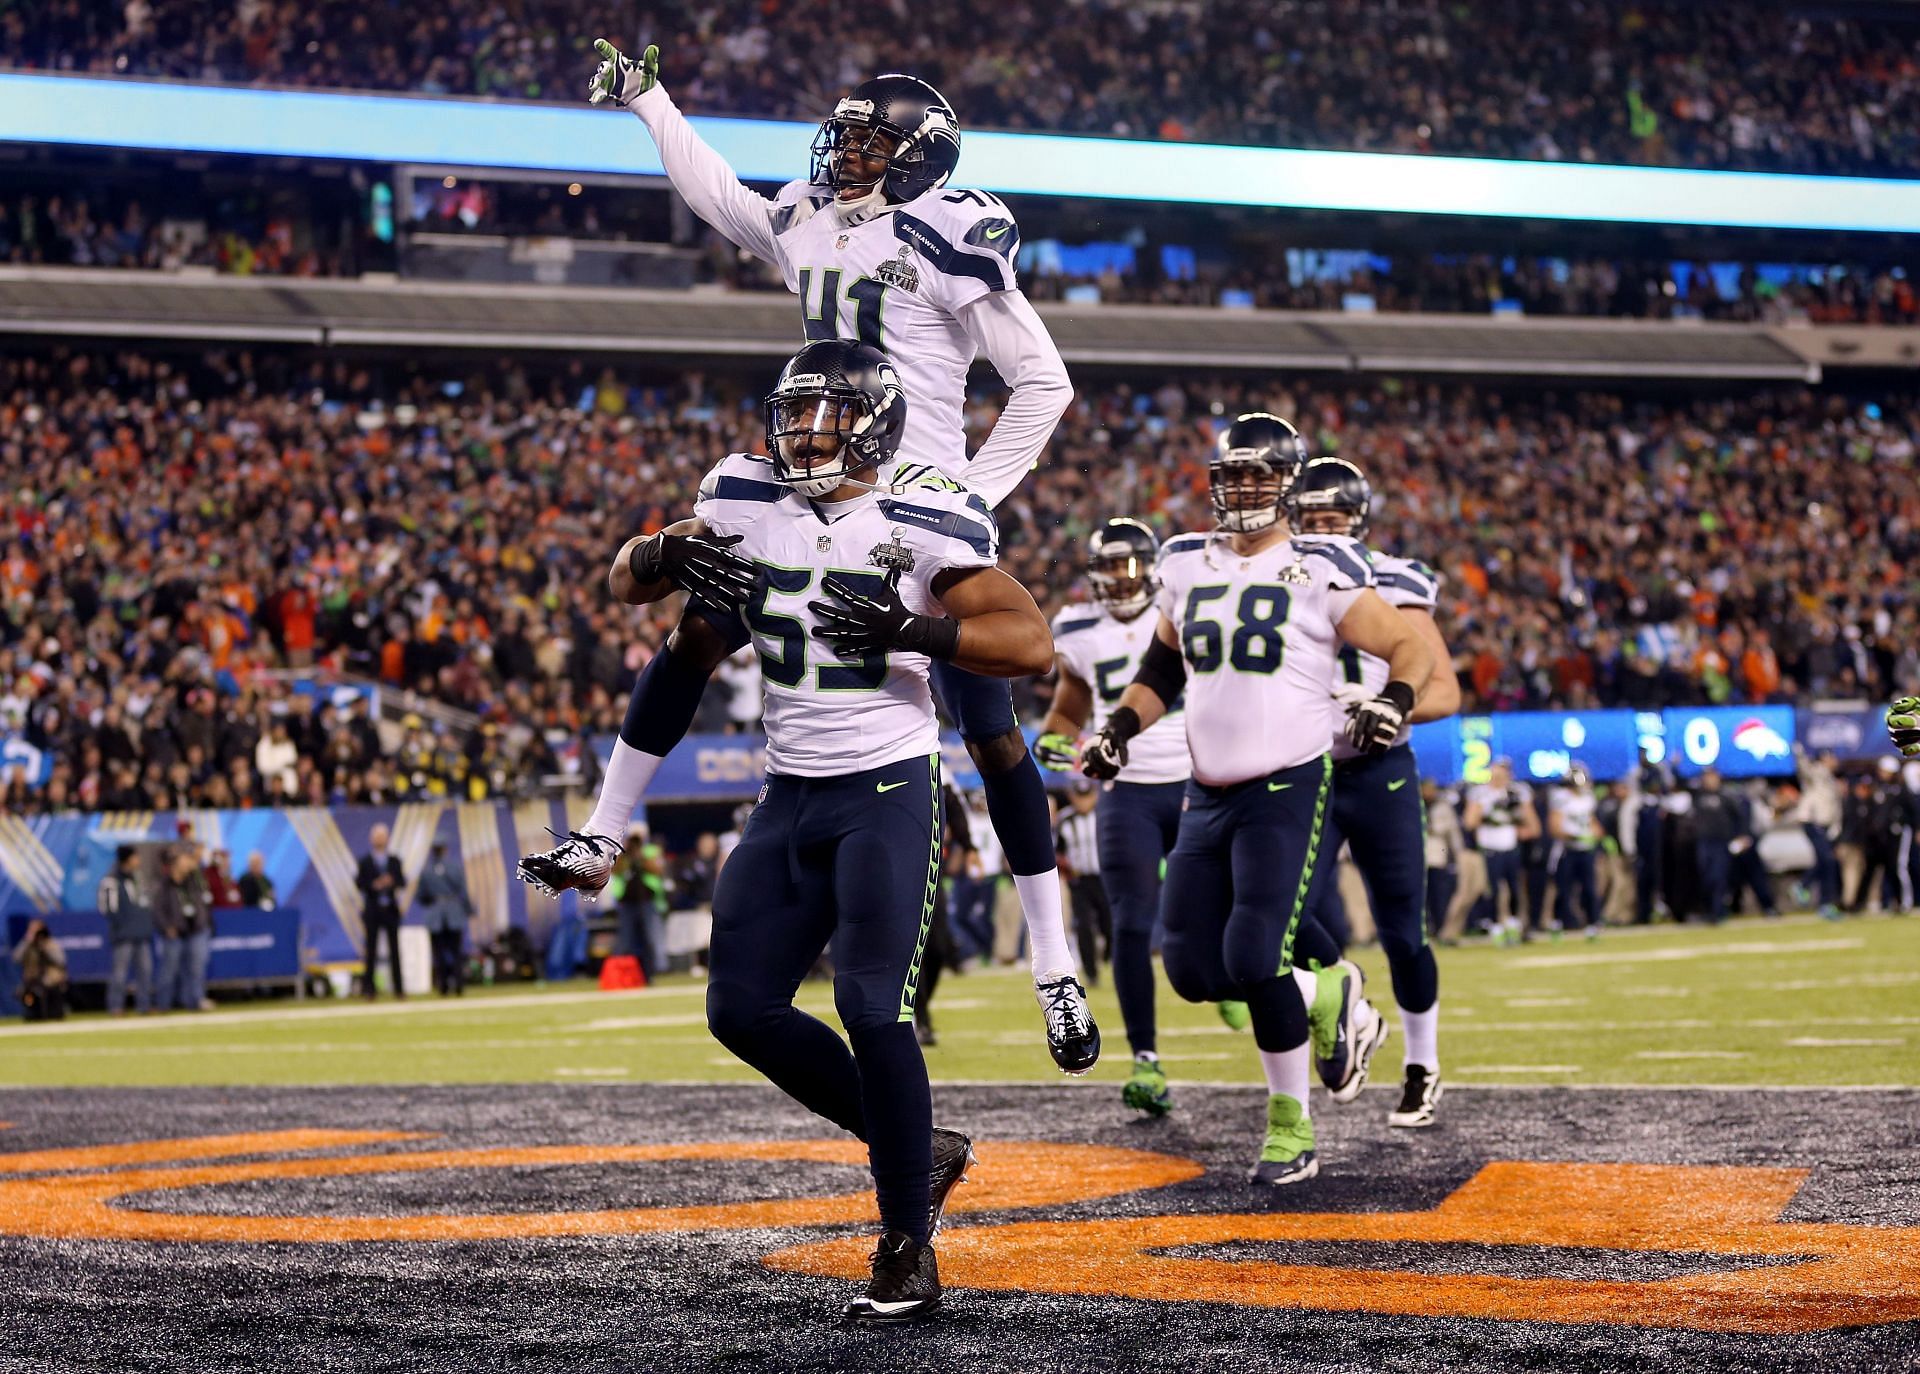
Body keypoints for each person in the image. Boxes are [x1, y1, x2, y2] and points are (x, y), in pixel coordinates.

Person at [526, 47, 1091, 1073]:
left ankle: (1054, 962)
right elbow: (725, 201)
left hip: (913, 504)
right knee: (697, 626)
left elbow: (1042, 384)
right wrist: (651, 105)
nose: (848, 151)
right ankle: (604, 834)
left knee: (992, 734)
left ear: (921, 159)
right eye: (849, 133)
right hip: (811, 471)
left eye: (875, 140)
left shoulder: (946, 230)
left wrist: (969, 493)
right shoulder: (807, 214)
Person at [609, 338, 1054, 1321]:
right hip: (787, 795)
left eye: (828, 417)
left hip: (886, 791)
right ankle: (919, 1149)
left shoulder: (921, 511)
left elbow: (1028, 640)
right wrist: (657, 552)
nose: (805, 433)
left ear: (877, 426)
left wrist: (919, 630)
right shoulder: (744, 500)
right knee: (739, 1010)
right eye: (796, 414)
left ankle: (907, 1245)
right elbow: (628, 584)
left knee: (871, 1005)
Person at [1081, 412, 1434, 1186]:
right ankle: (1332, 987)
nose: (1244, 488)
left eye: (1260, 475)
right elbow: (1163, 671)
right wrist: (1117, 728)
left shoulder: (1323, 564)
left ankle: (1291, 1128)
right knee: (1191, 970)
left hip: (1287, 784)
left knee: (1254, 953)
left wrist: (1394, 701)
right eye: (1233, 473)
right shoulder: (1181, 562)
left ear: (1288, 483)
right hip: (1205, 793)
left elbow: (1405, 645)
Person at [1289, 456, 1461, 1128]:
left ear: (1359, 520)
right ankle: (1346, 1001)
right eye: (1312, 518)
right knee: (1278, 913)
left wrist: (1391, 704)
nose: (1323, 529)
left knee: (1402, 928)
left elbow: (1444, 689)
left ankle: (1422, 1065)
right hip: (1304, 769)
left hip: (1380, 769)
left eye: (1334, 518)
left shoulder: (1395, 580)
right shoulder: (1280, 575)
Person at [1036, 516, 1194, 1116]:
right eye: (1109, 568)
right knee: (1129, 924)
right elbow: (1068, 709)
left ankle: (1240, 986)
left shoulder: (1178, 614)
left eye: (1131, 567)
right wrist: (1055, 740)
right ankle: (1146, 1059)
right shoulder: (1076, 629)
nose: (1121, 580)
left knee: (1217, 910)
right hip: (1124, 789)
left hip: (1196, 779)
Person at [1463, 758, 1539, 941]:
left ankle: (1514, 923)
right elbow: (1469, 822)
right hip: (1489, 847)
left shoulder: (1517, 793)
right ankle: (1495, 924)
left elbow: (1534, 827)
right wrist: (1487, 811)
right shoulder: (1481, 794)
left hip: (1510, 846)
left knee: (1514, 888)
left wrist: (1520, 827)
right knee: (1492, 889)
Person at [1052, 780, 1109, 988]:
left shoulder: (1104, 815)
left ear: (1094, 796)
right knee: (1083, 926)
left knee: (1109, 923)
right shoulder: (1065, 820)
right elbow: (1057, 851)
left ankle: (1109, 956)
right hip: (1079, 881)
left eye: (1087, 797)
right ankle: (1091, 973)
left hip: (1104, 878)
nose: (1083, 802)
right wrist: (1065, 867)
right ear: (1072, 796)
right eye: (1079, 797)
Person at [1548, 764, 1604, 938]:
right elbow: (1555, 826)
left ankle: (1593, 923)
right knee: (1563, 889)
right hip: (1567, 849)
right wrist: (1575, 836)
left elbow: (1593, 824)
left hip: (1586, 850)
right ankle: (1558, 923)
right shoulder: (1561, 798)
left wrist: (1595, 835)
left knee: (1589, 888)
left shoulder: (1588, 798)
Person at [153, 847, 212, 1011]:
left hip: (195, 930)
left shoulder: (193, 880)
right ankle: (163, 1004)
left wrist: (203, 922)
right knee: (169, 970)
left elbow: (202, 902)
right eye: (182, 860)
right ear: (173, 865)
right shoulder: (164, 885)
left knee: (196, 969)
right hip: (175, 932)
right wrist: (166, 927)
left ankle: (195, 1001)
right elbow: (157, 910)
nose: (187, 863)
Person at [99, 844, 155, 1015]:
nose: (138, 860)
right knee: (120, 972)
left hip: (142, 932)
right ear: (127, 859)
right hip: (123, 934)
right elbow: (106, 907)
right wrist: (122, 923)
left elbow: (145, 902)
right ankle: (116, 1006)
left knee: (145, 970)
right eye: (135, 856)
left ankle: (143, 1005)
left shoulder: (139, 877)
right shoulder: (111, 880)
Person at [415, 840, 472, 996]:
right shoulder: (454, 868)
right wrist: (469, 910)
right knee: (456, 952)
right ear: (445, 850)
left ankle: (443, 987)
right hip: (454, 912)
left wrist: (433, 902)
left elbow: (420, 896)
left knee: (438, 953)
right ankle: (459, 985)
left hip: (435, 915)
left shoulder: (427, 870)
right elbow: (463, 891)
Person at [357, 823, 405, 998]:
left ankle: (399, 989)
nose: (380, 839)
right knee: (371, 950)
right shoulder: (365, 861)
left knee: (395, 950)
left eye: (382, 836)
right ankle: (369, 989)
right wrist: (374, 885)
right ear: (371, 839)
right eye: (377, 836)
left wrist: (391, 882)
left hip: (390, 909)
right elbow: (360, 883)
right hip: (373, 910)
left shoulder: (394, 860)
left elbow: (402, 880)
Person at [12, 919, 69, 1021]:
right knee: (27, 995)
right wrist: (27, 940)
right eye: (32, 930)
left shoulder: (50, 944)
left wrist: (45, 948)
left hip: (50, 980)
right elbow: (16, 958)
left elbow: (61, 961)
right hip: (32, 980)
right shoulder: (27, 945)